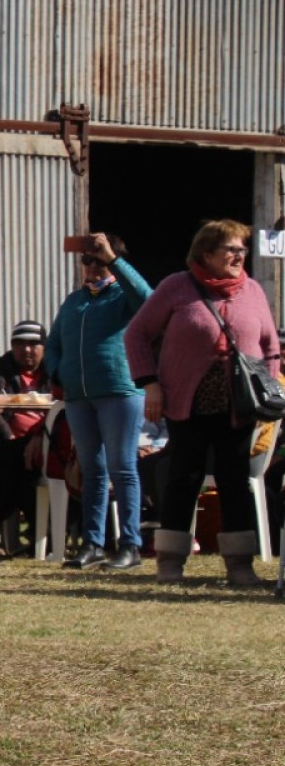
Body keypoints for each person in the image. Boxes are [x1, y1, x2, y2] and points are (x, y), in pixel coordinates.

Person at [126, 219, 279, 585]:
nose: (239, 254)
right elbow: (137, 334)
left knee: (234, 481)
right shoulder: (176, 287)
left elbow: (271, 347)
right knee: (183, 478)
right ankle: (171, 562)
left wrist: (268, 392)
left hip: (238, 408)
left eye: (242, 248)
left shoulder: (254, 291)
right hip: (187, 404)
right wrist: (149, 384)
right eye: (231, 248)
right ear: (206, 253)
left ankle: (241, 566)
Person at [44, 233, 152, 570]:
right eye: (86, 261)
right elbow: (54, 342)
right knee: (91, 469)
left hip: (120, 390)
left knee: (122, 467)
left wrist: (115, 261)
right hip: (79, 396)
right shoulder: (74, 301)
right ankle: (93, 543)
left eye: (98, 260)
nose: (91, 267)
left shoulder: (123, 295)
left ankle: (131, 545)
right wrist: (57, 373)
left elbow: (149, 302)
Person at [0, 320, 50, 556]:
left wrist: (40, 435)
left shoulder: (55, 371)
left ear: (44, 347)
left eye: (33, 344)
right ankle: (37, 534)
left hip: (47, 443)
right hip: (2, 443)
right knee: (5, 460)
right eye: (19, 343)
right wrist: (6, 433)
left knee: (16, 462)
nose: (26, 349)